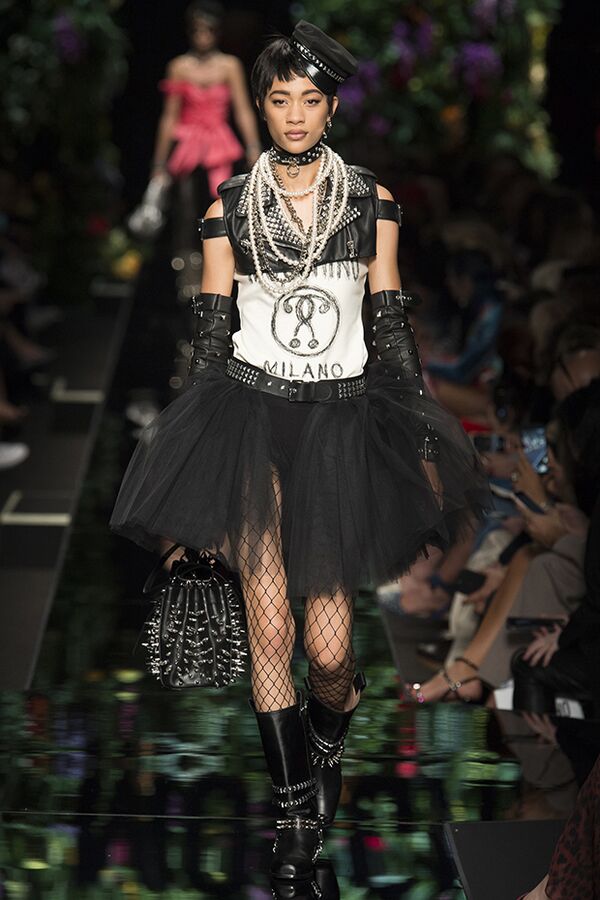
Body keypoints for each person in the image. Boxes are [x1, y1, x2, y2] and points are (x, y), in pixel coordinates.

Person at [111, 21, 488, 882]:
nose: (292, 115)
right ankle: (293, 820)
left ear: (331, 108)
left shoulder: (370, 204)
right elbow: (211, 343)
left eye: (308, 100)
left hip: (341, 426)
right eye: (278, 99)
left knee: (330, 653)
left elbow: (390, 327)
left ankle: (328, 734)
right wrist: (191, 473)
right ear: (263, 103)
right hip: (252, 418)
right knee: (271, 626)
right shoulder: (227, 208)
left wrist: (423, 437)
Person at [150, 1, 261, 281]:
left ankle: (222, 266)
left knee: (222, 203)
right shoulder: (179, 67)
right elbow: (169, 117)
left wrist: (253, 148)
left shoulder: (229, 66)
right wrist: (159, 162)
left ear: (217, 32)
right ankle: (187, 268)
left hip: (218, 143)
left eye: (208, 30)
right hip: (188, 143)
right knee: (185, 206)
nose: (203, 36)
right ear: (189, 31)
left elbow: (242, 109)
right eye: (197, 30)